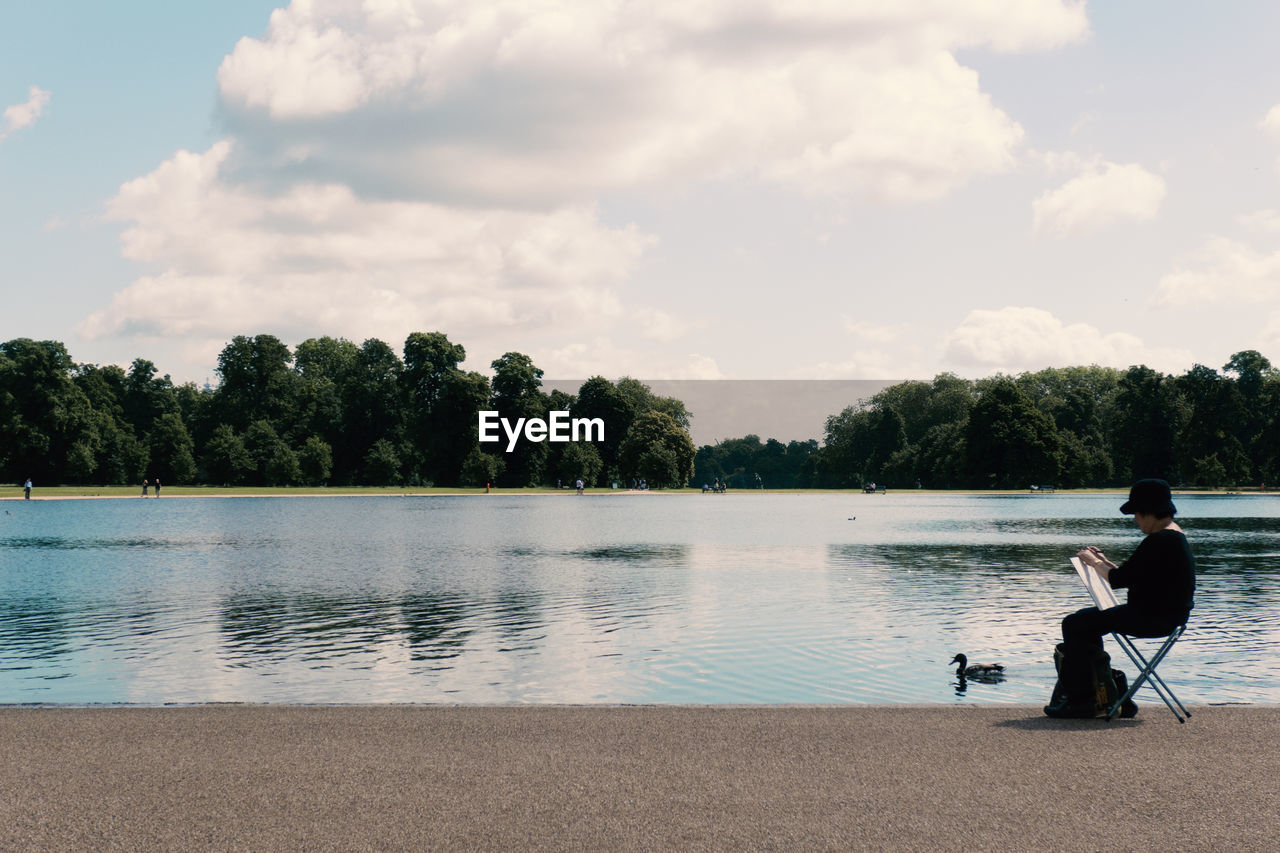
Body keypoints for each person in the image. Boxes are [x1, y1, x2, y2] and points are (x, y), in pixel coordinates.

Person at [1045, 479, 1196, 718]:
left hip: (1151, 618)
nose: (1135, 519)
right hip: (1166, 616)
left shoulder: (1160, 540)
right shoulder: (1173, 536)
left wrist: (1092, 562)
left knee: (1074, 624)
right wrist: (1102, 560)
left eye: (1137, 513)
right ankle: (1111, 695)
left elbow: (1116, 580)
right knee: (1084, 621)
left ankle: (1083, 700)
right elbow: (1130, 575)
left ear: (1150, 511)